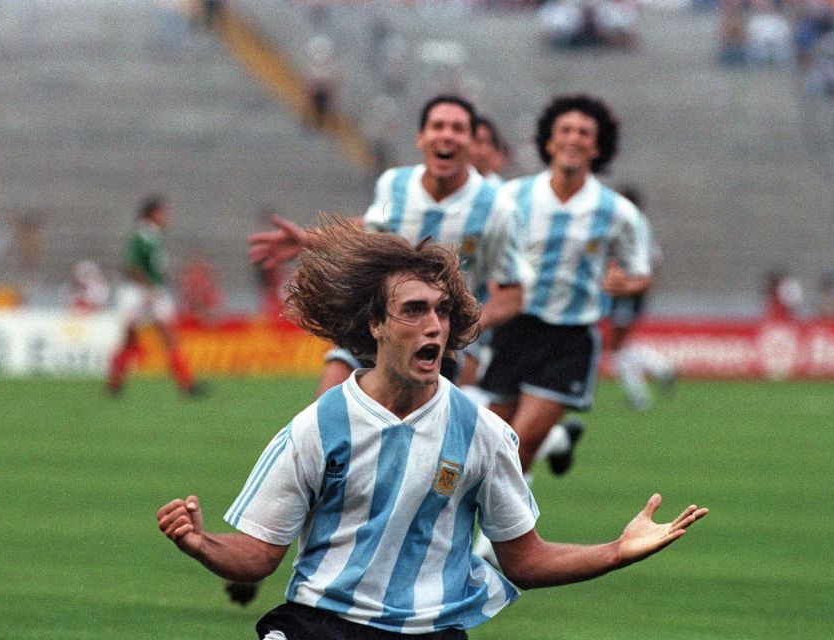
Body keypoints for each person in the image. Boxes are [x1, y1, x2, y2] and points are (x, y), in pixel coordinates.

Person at [157, 217, 709, 639]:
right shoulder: (317, 426)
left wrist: (616, 550)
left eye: (442, 312)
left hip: (429, 631)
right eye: (414, 310)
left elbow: (524, 559)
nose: (434, 326)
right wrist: (200, 543)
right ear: (375, 325)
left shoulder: (482, 432)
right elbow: (258, 556)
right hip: (320, 621)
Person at [248, 94, 527, 397]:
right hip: (380, 322)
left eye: (457, 128)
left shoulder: (496, 207)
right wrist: (308, 240)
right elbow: (369, 231)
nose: (446, 134)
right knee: (327, 411)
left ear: (472, 143)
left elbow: (512, 292)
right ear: (421, 138)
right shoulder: (394, 184)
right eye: (438, 126)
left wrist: (464, 327)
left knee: (422, 432)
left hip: (439, 342)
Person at [477, 95, 653, 479]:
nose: (574, 138)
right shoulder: (512, 197)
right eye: (565, 130)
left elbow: (641, 271)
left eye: (584, 133)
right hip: (513, 330)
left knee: (515, 453)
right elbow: (483, 249)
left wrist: (624, 283)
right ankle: (556, 441)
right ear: (549, 141)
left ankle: (487, 543)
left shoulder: (618, 211)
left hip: (569, 340)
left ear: (597, 145)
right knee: (492, 448)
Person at [106, 195, 207, 397]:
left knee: (168, 335)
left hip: (153, 291)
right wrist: (148, 288)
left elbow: (154, 267)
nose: (167, 216)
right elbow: (131, 266)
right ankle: (115, 383)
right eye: (162, 212)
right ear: (151, 213)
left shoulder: (154, 236)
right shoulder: (141, 236)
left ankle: (187, 384)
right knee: (131, 338)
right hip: (138, 292)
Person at [603, 186, 677, 412]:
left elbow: (648, 261)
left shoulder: (632, 225)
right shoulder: (642, 225)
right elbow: (655, 260)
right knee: (618, 345)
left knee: (616, 346)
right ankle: (650, 382)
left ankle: (656, 374)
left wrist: (634, 285)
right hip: (632, 289)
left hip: (628, 289)